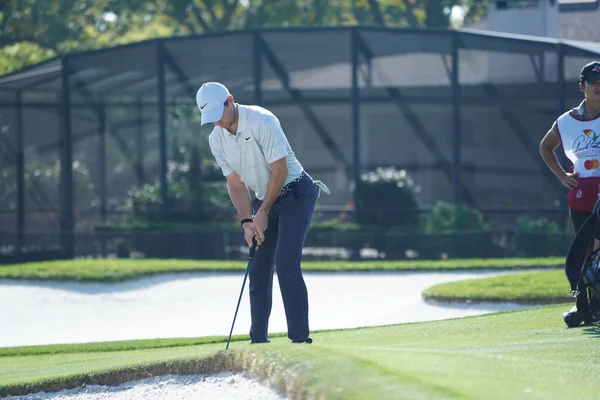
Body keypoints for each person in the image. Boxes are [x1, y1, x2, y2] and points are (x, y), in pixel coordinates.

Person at [196, 82, 329, 344]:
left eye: (218, 115)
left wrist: (263, 211)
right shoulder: (216, 138)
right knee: (258, 268)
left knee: (286, 263)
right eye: (210, 119)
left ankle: (300, 339)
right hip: (262, 199)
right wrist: (247, 220)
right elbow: (235, 184)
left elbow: (279, 170)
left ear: (230, 101)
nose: (217, 123)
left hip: (295, 194)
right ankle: (258, 340)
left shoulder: (262, 121)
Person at [539, 60, 600, 327]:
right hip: (581, 194)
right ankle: (584, 309)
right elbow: (545, 147)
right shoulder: (566, 121)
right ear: (581, 86)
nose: (599, 87)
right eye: (594, 83)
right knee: (584, 252)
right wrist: (562, 176)